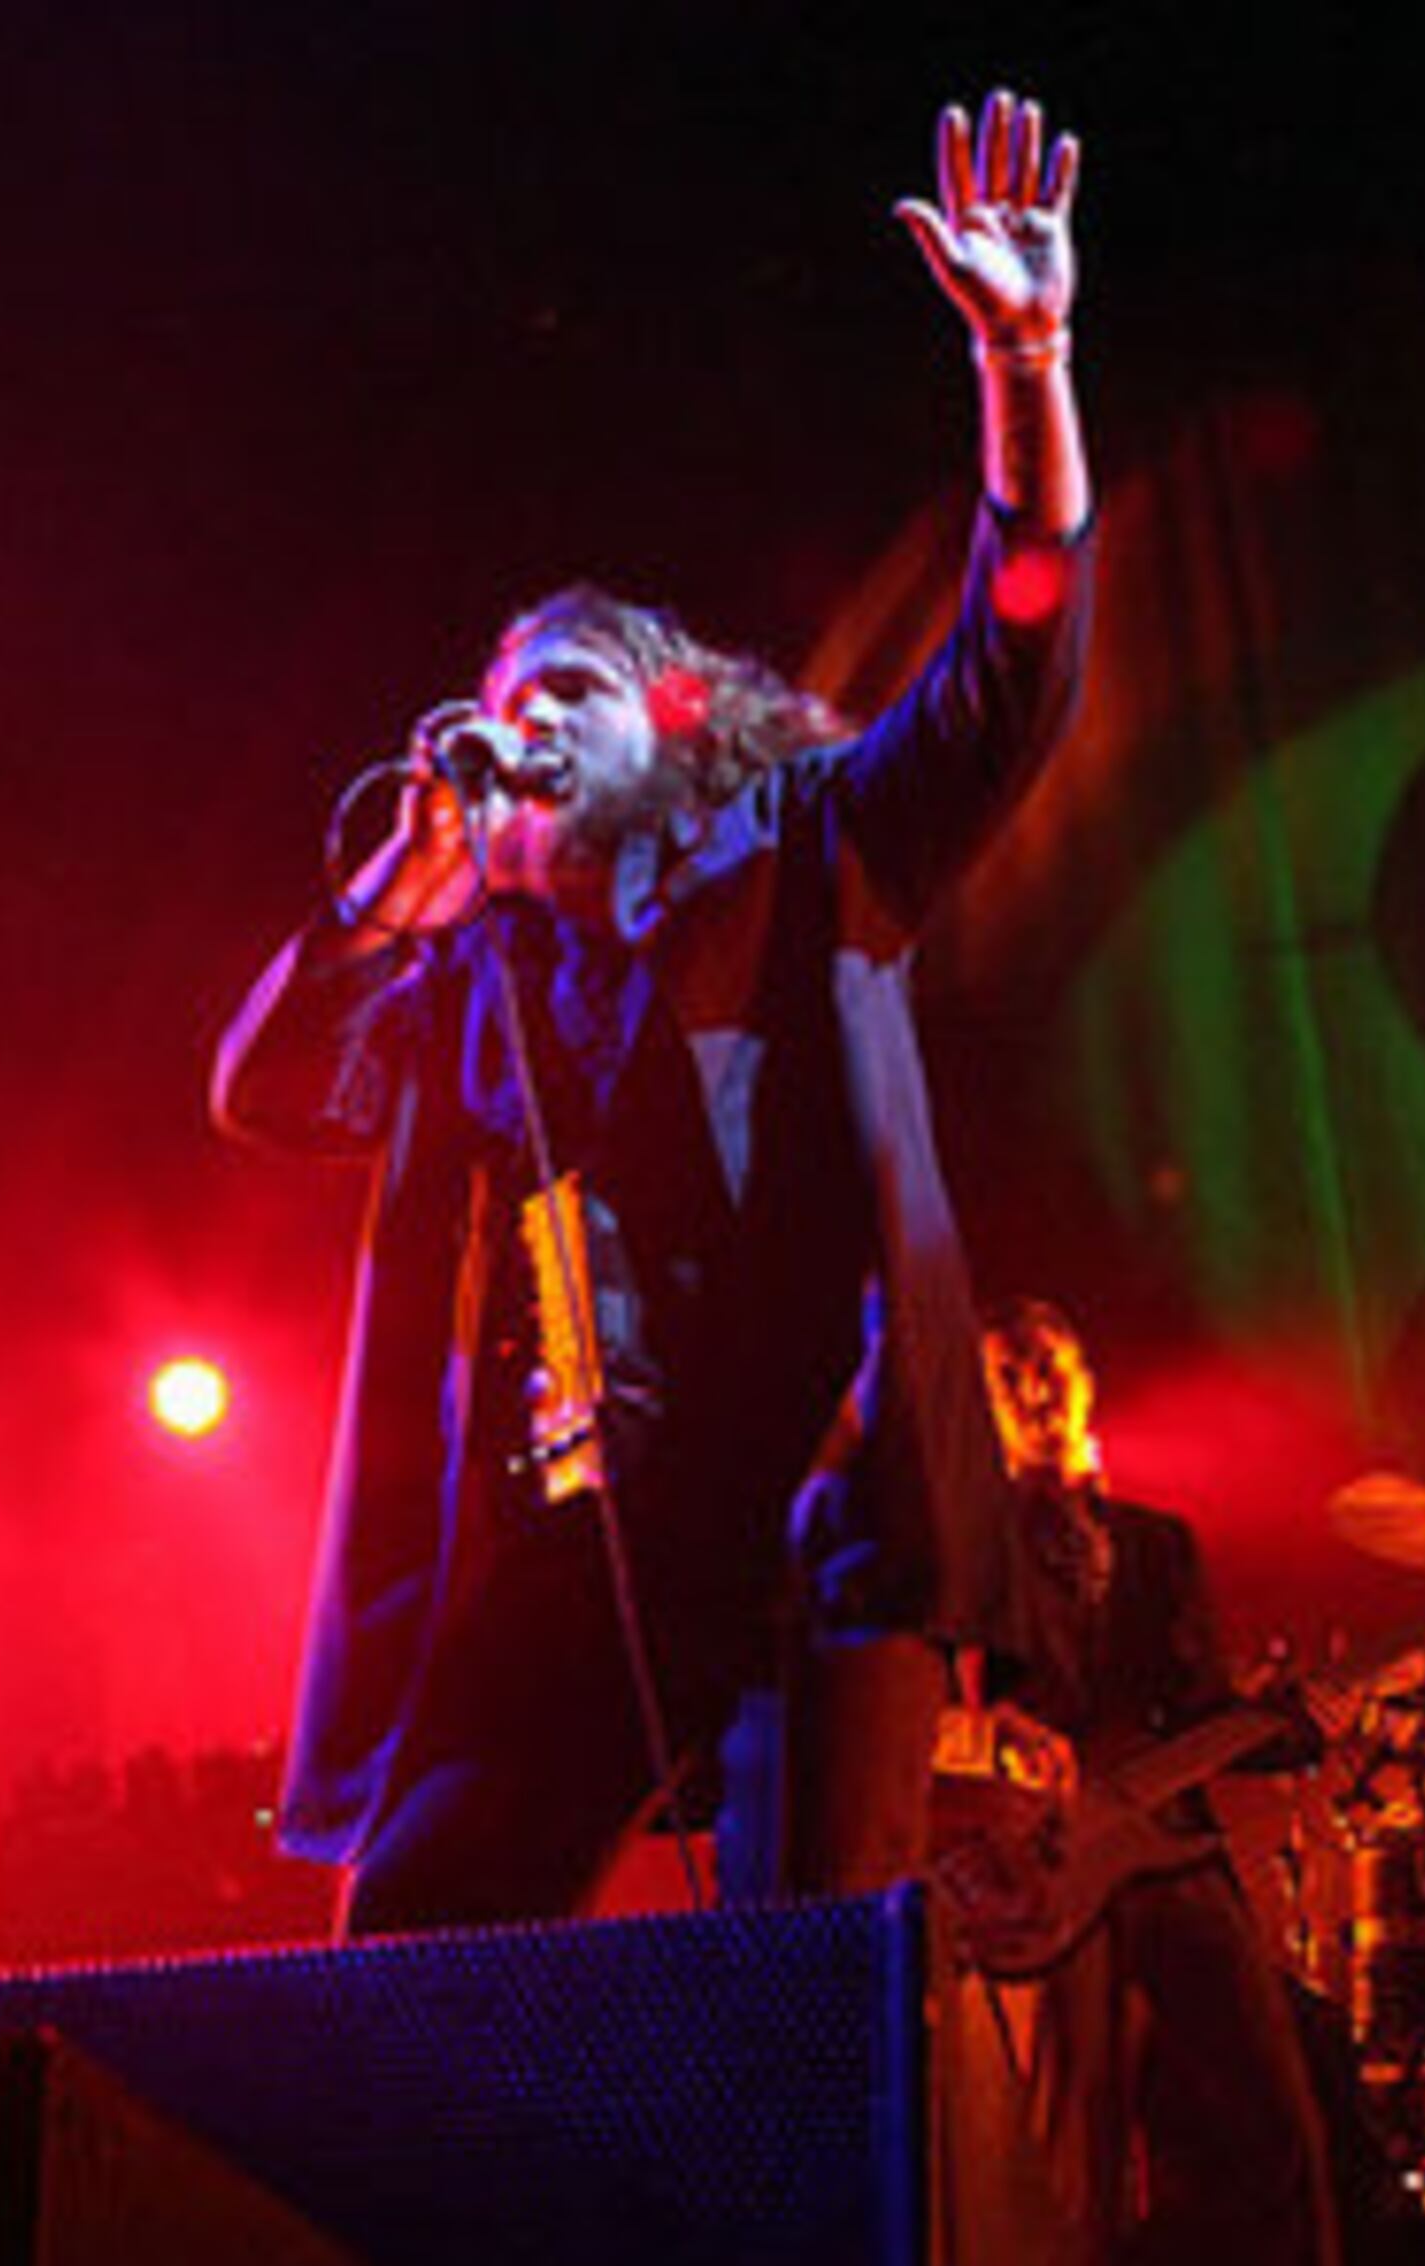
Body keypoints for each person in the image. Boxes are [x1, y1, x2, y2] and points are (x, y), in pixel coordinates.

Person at [211, 89, 1096, 1933]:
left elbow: (1010, 651)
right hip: (554, 1550)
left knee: (799, 1995)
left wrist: (1028, 365)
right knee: (417, 1948)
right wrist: (385, 901)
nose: (519, 717)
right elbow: (270, 1095)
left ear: (677, 721)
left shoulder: (815, 847)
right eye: (499, 693)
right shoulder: (473, 976)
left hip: (806, 1527)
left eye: (568, 688)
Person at [967, 1297, 1348, 2266]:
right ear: (989, 1399)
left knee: (1277, 2128)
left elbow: (1207, 1711)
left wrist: (1295, 1724)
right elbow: (954, 1702)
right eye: (1015, 1374)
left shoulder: (1160, 1543)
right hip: (1049, 1862)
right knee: (1075, 2164)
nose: (1039, 1388)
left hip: (1173, 1853)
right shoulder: (975, 1544)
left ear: (1084, 1383)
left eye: (1052, 1368)